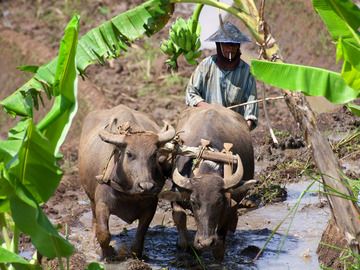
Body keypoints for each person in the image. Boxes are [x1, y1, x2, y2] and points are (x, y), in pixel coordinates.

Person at [185, 22, 258, 130]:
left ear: (238, 46)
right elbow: (191, 93)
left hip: (233, 126)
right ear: (219, 45)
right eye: (226, 45)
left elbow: (251, 105)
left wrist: (245, 128)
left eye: (234, 45)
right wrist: (211, 109)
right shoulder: (206, 66)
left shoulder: (246, 72)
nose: (230, 49)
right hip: (206, 123)